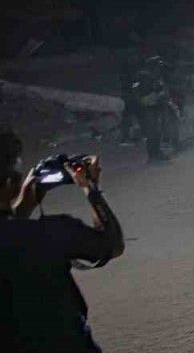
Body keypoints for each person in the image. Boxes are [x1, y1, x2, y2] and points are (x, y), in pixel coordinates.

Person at [0, 139, 126, 353]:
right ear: (11, 183)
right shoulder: (50, 233)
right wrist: (90, 187)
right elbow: (112, 245)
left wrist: (23, 205)